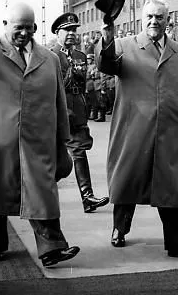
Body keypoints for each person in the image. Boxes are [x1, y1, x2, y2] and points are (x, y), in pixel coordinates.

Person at [0, 2, 80, 266]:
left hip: (36, 141)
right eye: (18, 27)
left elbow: (58, 101)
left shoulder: (49, 58)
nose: (24, 33)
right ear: (5, 25)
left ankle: (51, 247)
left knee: (42, 192)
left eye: (29, 28)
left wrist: (63, 138)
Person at [95, 0, 178, 259]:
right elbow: (105, 64)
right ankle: (120, 228)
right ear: (142, 20)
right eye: (150, 17)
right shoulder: (124, 46)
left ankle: (177, 242)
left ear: (168, 20)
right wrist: (107, 36)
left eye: (160, 17)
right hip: (134, 128)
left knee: (173, 186)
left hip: (170, 130)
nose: (154, 21)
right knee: (127, 179)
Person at [50, 12, 109, 213]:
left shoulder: (80, 56)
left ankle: (87, 197)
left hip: (77, 109)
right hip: (59, 109)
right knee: (58, 156)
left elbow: (82, 85)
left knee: (78, 151)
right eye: (67, 30)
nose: (72, 34)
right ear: (57, 32)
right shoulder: (51, 57)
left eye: (74, 30)